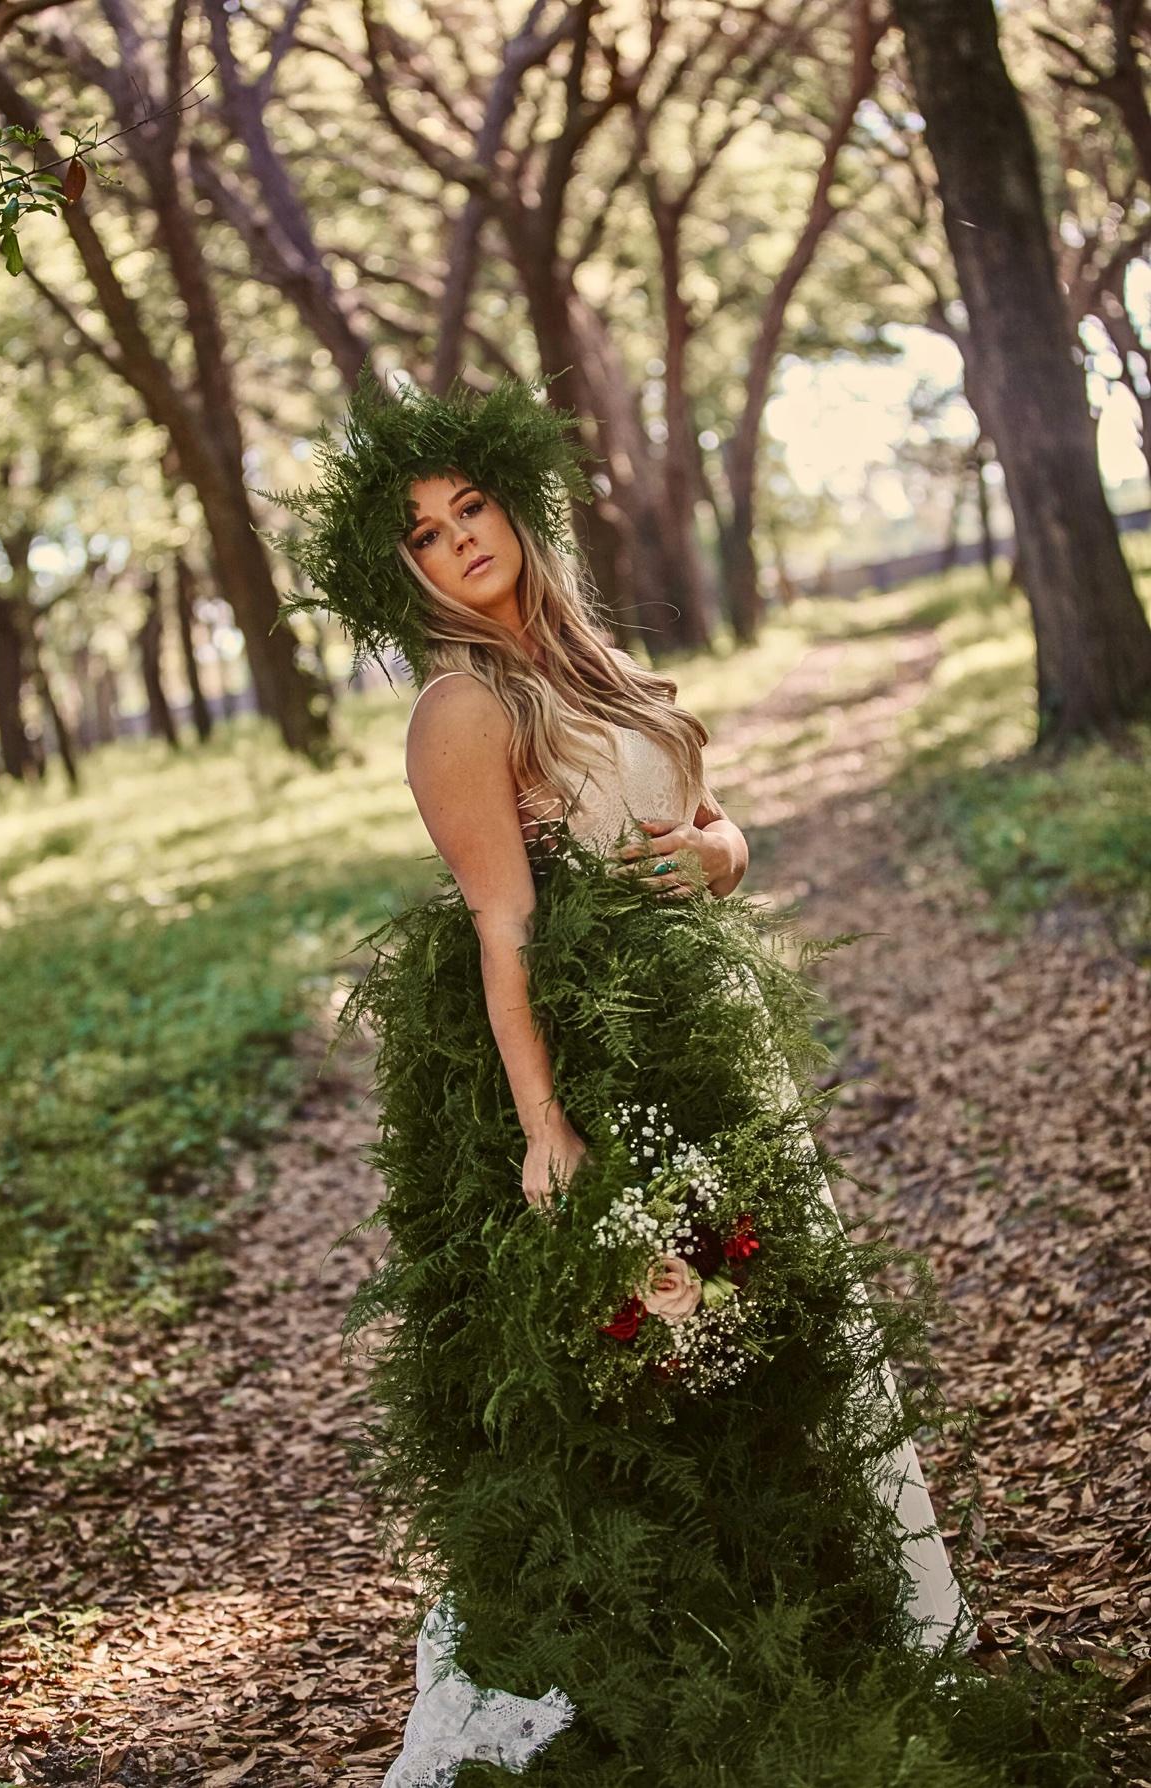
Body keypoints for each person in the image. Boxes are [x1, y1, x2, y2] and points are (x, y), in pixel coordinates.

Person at [272, 368, 1112, 1788]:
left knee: (771, 1340)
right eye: (425, 532)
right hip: (608, 1068)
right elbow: (503, 927)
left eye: (473, 507)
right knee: (669, 1364)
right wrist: (547, 1127)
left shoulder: (590, 660)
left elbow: (713, 823)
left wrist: (720, 855)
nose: (461, 539)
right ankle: (707, 1686)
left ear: (515, 511)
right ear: (400, 568)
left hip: (711, 1047)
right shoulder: (461, 709)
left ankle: (839, 1629)